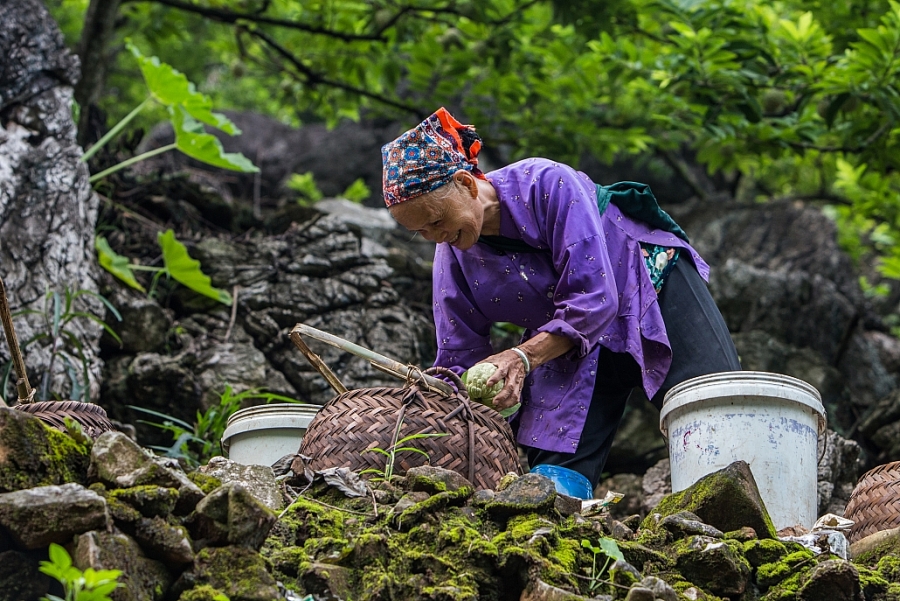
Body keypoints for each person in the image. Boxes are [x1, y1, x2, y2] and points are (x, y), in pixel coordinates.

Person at [382, 107, 741, 499]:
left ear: (466, 184)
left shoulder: (546, 184)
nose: (435, 236)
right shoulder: (451, 256)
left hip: (646, 282)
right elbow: (457, 356)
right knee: (549, 486)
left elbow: (595, 297)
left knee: (715, 413)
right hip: (564, 334)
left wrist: (520, 358)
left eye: (436, 220)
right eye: (420, 232)